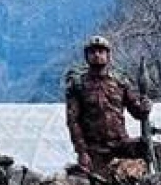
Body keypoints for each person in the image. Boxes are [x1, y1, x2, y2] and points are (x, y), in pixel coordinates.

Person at [64, 35, 154, 176]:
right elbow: (73, 122)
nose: (97, 55)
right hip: (95, 150)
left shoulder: (120, 82)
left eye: (101, 51)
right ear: (87, 56)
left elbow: (137, 112)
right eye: (92, 52)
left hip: (121, 144)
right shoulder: (78, 85)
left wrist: (145, 107)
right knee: (97, 184)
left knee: (159, 150)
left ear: (108, 55)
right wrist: (82, 152)